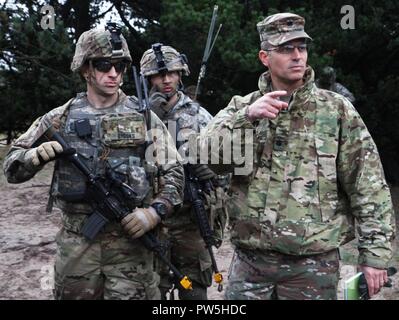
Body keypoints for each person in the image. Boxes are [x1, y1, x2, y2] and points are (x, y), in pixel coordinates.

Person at [201, 13, 394, 300]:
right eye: (286, 49)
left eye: (301, 47)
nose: (297, 56)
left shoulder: (336, 110)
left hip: (313, 267)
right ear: (264, 57)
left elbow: (368, 185)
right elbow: (206, 157)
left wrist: (374, 256)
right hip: (251, 265)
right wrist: (247, 118)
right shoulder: (242, 107)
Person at [3, 24, 184, 300]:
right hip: (77, 248)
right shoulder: (60, 117)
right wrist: (31, 158)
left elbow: (174, 171)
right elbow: (12, 168)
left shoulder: (143, 116)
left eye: (120, 66)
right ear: (85, 68)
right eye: (103, 65)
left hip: (131, 248)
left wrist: (154, 212)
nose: (113, 74)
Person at [140, 43, 227, 300]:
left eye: (172, 73)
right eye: (159, 75)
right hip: (152, 218)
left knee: (194, 288)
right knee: (154, 288)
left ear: (180, 74)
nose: (166, 80)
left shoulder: (200, 116)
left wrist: (210, 169)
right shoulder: (135, 114)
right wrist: (148, 120)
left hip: (190, 220)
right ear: (148, 78)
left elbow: (225, 166)